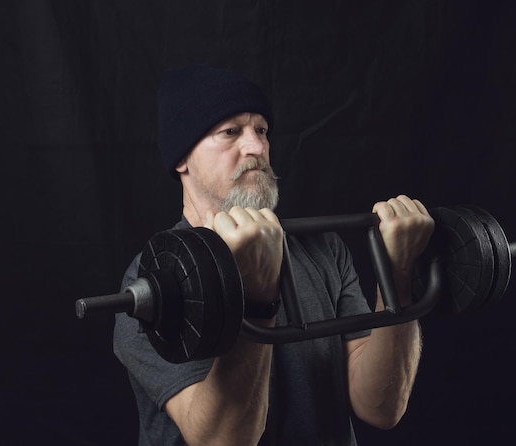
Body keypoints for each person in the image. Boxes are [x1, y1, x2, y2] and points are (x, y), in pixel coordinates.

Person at [113, 63, 435, 446]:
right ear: (182, 158)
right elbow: (223, 441)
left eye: (261, 131)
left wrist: (395, 277)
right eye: (230, 132)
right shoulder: (153, 279)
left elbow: (380, 407)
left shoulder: (324, 249)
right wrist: (259, 297)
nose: (256, 148)